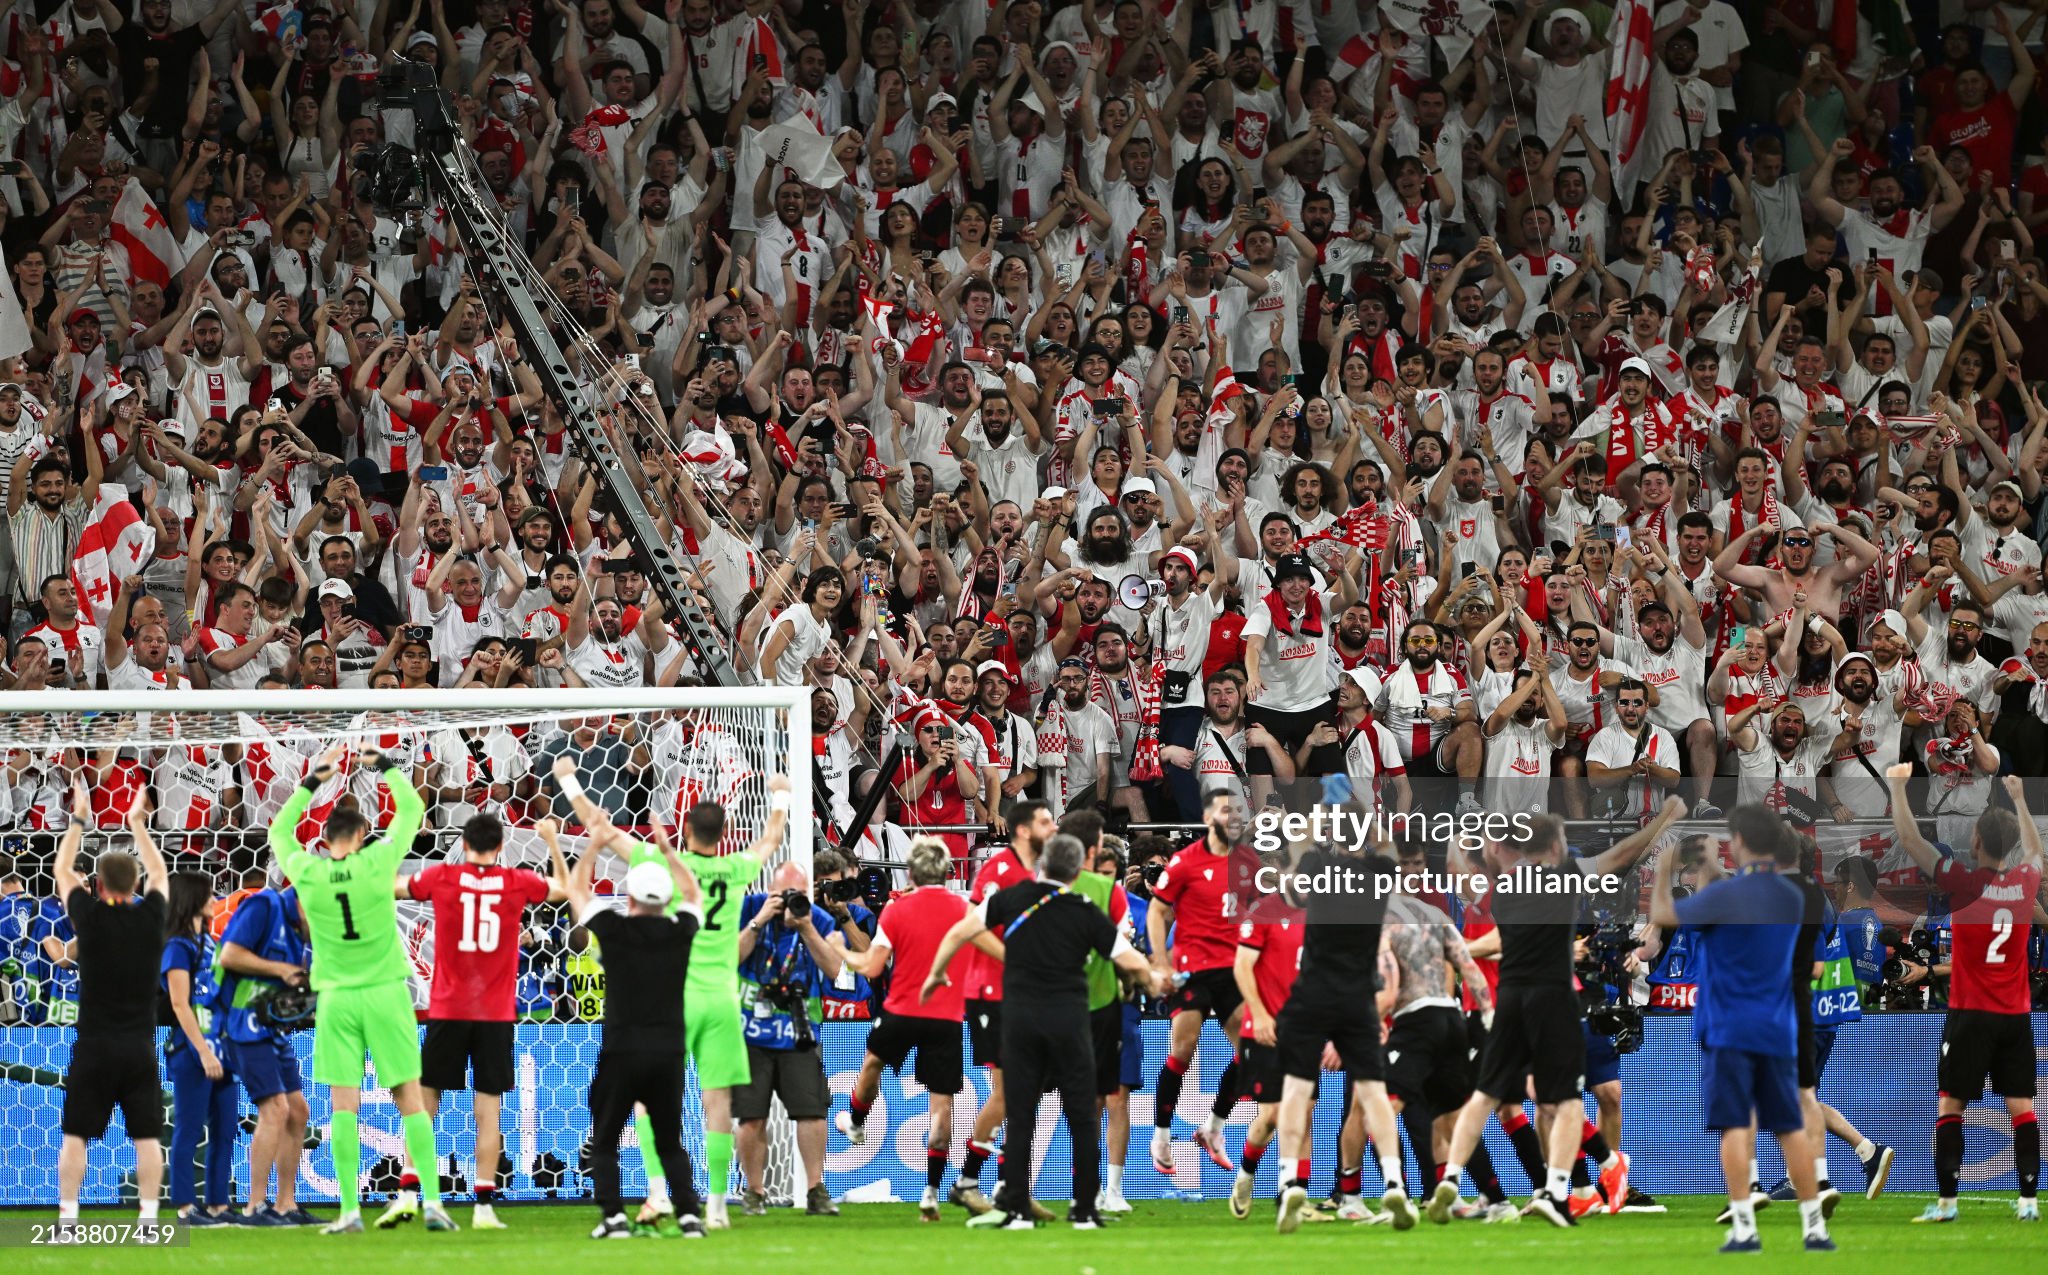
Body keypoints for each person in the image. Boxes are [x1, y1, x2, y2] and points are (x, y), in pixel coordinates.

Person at [1428, 799, 1685, 1226]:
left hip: (1509, 999)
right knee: (1562, 1100)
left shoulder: (1505, 888)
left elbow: (1490, 915)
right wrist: (1663, 820)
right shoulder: (1563, 878)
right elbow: (1621, 855)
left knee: (1489, 1095)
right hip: (1553, 999)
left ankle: (1452, 1180)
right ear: (1553, 848)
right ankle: (1562, 1188)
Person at [561, 762, 790, 1230]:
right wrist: (781, 796)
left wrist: (569, 781)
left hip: (672, 1002)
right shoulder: (735, 866)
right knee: (718, 1103)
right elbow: (770, 841)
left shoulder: (659, 861)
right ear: (724, 833)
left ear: (685, 829)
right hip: (723, 998)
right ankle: (719, 1206)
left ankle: (659, 1194)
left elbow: (599, 827)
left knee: (647, 1100)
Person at [922, 833, 1165, 1230]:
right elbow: (1130, 960)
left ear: (1043, 865)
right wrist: (1154, 983)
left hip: (1019, 1019)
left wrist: (936, 973)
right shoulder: (1086, 909)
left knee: (1020, 1113)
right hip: (1070, 1020)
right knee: (1082, 1114)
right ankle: (1084, 1209)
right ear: (1074, 871)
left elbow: (960, 931)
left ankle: (1016, 1208)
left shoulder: (1010, 899)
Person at [270, 741, 450, 1234]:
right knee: (410, 1097)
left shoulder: (308, 871)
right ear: (366, 834)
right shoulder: (379, 864)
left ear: (325, 842)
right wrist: (385, 766)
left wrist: (312, 780)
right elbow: (413, 807)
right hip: (388, 992)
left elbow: (278, 831)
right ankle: (431, 1203)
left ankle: (349, 1210)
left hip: (338, 999)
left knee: (342, 1105)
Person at [1649, 804, 1835, 1254]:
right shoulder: (1793, 897)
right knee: (1789, 1126)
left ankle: (1745, 1228)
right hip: (1777, 1026)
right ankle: (1814, 1228)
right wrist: (1713, 866)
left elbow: (1664, 912)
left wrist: (1664, 866)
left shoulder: (1727, 896)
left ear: (1742, 843)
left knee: (1735, 1126)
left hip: (1728, 1027)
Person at [389, 812, 568, 1230]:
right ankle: (484, 1205)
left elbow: (393, 887)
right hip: (494, 1014)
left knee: (426, 1099)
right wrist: (551, 840)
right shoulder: (516, 881)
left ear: (464, 845)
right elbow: (563, 889)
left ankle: (408, 1193)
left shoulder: (443, 877)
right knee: (488, 1109)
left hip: (448, 1009)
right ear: (501, 847)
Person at [1886, 765, 2042, 1224]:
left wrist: (1898, 788)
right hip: (2015, 1015)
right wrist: (2018, 798)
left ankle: (1948, 1203)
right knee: (2021, 1108)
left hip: (1969, 1013)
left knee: (1951, 1104)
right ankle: (2029, 1202)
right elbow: (2033, 849)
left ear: (1975, 843)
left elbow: (1913, 842)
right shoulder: (2025, 883)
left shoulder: (1964, 882)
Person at [548, 811, 708, 1241]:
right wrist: (670, 851)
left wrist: (595, 844)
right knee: (670, 1142)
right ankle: (690, 1217)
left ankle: (614, 1219)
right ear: (663, 899)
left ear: (631, 899)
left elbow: (577, 893)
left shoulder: (614, 929)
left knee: (604, 1141)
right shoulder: (680, 931)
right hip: (669, 1051)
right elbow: (693, 893)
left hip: (621, 1051)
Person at [835, 838, 976, 1220]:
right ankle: (930, 1194)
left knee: (872, 1063)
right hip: (946, 1015)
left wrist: (842, 950)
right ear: (947, 873)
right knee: (941, 1104)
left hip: (902, 1009)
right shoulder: (965, 910)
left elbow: (873, 968)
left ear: (910, 873)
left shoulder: (896, 911)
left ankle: (856, 1120)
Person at [54, 786, 168, 1236]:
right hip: (139, 1046)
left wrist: (80, 818)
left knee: (75, 1135)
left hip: (94, 1046)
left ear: (97, 885)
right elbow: (161, 872)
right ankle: (148, 1219)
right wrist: (138, 822)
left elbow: (62, 868)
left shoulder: (90, 917)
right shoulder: (151, 917)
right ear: (135, 883)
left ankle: (67, 1218)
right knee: (147, 1137)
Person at [1147, 787, 1262, 1177]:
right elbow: (1157, 911)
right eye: (1226, 811)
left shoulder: (1249, 863)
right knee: (1184, 1045)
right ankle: (1161, 1137)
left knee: (1251, 1047)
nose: (1234, 819)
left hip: (1232, 968)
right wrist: (1161, 962)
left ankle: (1213, 1127)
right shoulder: (1184, 862)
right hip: (1193, 965)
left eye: (1238, 813)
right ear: (1209, 817)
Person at [734, 861, 849, 1216]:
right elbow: (725, 960)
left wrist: (808, 930)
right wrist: (759, 922)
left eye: (797, 895)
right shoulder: (749, 909)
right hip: (750, 1032)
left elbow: (839, 974)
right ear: (769, 891)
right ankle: (754, 1192)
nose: (788, 902)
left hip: (799, 1033)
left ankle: (816, 1189)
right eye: (782, 895)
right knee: (751, 1117)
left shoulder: (819, 919)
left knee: (812, 1113)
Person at [214, 865, 315, 1226]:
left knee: (298, 1110)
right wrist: (280, 971)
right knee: (275, 1109)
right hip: (243, 1023)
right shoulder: (265, 906)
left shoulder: (299, 930)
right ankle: (254, 1205)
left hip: (272, 1028)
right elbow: (229, 955)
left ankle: (285, 1203)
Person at [160, 869, 237, 1225]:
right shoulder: (177, 946)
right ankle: (185, 1207)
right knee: (189, 1129)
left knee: (226, 1127)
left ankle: (219, 1204)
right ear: (193, 899)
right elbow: (180, 1004)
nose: (214, 900)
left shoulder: (210, 942)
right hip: (191, 1051)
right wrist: (203, 1051)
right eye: (208, 894)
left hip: (221, 1045)